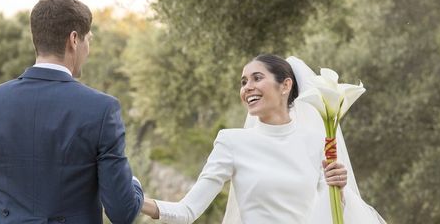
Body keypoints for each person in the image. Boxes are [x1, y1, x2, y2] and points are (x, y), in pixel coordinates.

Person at [141, 54, 386, 224]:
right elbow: (187, 210)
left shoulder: (317, 142)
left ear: (285, 85)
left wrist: (339, 192)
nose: (247, 87)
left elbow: (329, 216)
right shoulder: (231, 142)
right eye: (243, 82)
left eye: (257, 78)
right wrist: (134, 200)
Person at [0, 0, 143, 224]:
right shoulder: (101, 109)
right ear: (74, 39)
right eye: (89, 40)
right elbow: (123, 212)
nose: (88, 49)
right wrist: (135, 186)